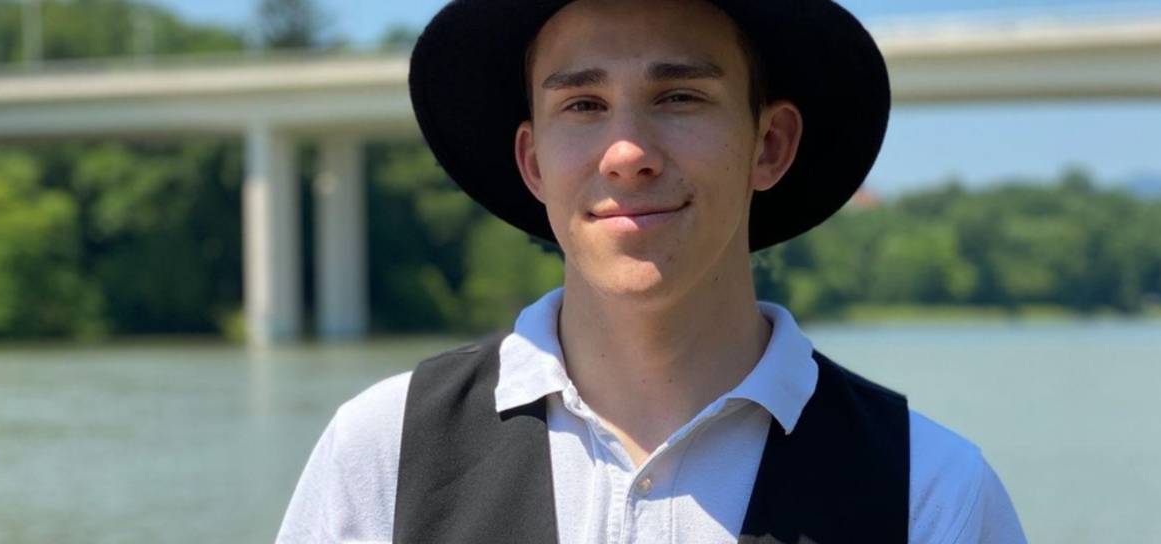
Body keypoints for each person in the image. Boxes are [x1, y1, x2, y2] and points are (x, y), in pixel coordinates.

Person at [278, 0, 1028, 542]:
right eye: (583, 104)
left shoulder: (930, 493)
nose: (628, 153)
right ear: (533, 162)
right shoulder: (384, 453)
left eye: (679, 97)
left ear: (769, 144)